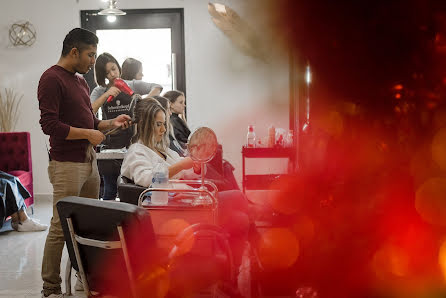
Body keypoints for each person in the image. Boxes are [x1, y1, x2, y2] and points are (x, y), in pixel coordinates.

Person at [38, 28, 131, 298]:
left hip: (89, 161)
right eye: (90, 55)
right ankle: (51, 287)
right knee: (60, 225)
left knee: (87, 222)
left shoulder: (80, 82)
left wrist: (110, 124)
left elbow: (90, 124)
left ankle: (85, 278)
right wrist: (89, 134)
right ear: (74, 51)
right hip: (66, 163)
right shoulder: (51, 78)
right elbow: (50, 125)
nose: (94, 62)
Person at [120, 99, 249, 257]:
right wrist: (182, 166)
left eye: (164, 124)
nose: (163, 129)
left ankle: (235, 270)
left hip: (188, 201)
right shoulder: (137, 152)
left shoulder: (161, 149)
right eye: (158, 124)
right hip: (176, 210)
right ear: (145, 126)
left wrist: (194, 165)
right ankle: (260, 260)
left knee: (241, 219)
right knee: (239, 197)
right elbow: (147, 179)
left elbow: (182, 170)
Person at [90, 53, 163, 200]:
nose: (112, 74)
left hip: (132, 144)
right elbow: (89, 111)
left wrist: (144, 101)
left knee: (131, 189)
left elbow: (157, 87)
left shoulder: (132, 85)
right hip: (110, 147)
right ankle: (109, 221)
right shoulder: (99, 91)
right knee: (110, 189)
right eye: (107, 72)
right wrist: (106, 95)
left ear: (118, 66)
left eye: (114, 69)